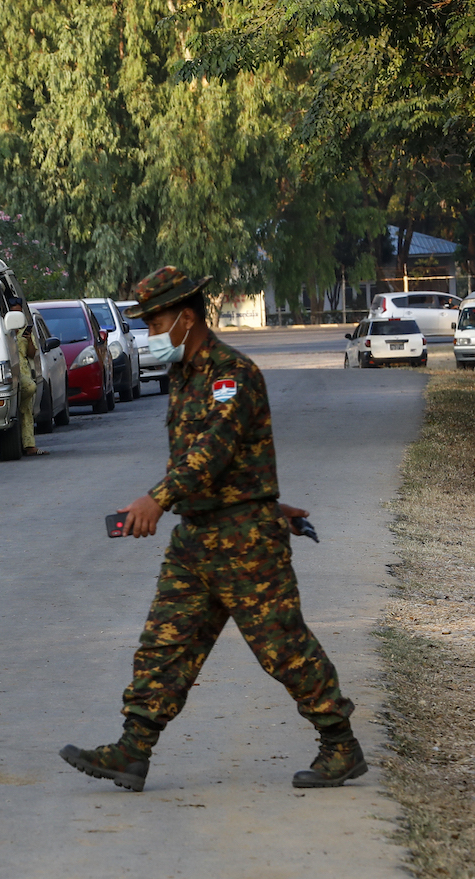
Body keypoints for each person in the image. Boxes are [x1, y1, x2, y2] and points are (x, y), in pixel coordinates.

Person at [58, 266, 364, 793]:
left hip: (245, 543)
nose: (151, 333)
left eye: (155, 321)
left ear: (187, 316)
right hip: (199, 536)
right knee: (165, 644)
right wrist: (267, 496)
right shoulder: (184, 375)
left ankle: (340, 744)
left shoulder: (231, 373)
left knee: (283, 647)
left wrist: (157, 498)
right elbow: (233, 459)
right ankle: (133, 749)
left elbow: (214, 451)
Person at [8, 296, 41, 456]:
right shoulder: (4, 330)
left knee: (26, 407)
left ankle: (29, 445)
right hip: (11, 373)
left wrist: (29, 341)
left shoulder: (24, 330)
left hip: (25, 372)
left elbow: (32, 354)